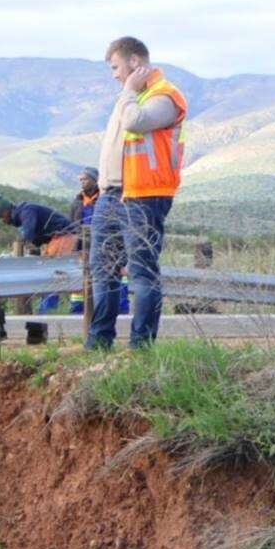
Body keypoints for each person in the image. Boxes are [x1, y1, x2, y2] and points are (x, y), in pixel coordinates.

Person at [87, 36, 188, 349]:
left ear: (134, 63)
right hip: (111, 196)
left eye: (117, 67)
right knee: (103, 269)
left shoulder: (164, 96)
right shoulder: (129, 97)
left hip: (144, 197)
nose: (115, 75)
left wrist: (129, 92)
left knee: (142, 273)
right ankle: (98, 344)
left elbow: (136, 122)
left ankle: (140, 346)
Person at [0, 195, 77, 314]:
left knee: (54, 274)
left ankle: (49, 312)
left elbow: (29, 235)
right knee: (51, 273)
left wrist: (23, 246)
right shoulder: (23, 214)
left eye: (1, 217)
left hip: (63, 236)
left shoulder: (26, 211)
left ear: (6, 211)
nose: (3, 221)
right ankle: (47, 310)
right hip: (56, 239)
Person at [67, 167, 125, 316]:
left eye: (85, 179)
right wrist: (74, 247)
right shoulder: (77, 201)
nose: (82, 183)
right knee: (82, 281)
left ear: (95, 180)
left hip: (105, 246)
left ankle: (120, 310)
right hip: (83, 247)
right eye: (80, 180)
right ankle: (78, 312)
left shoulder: (106, 199)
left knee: (112, 277)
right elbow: (72, 226)